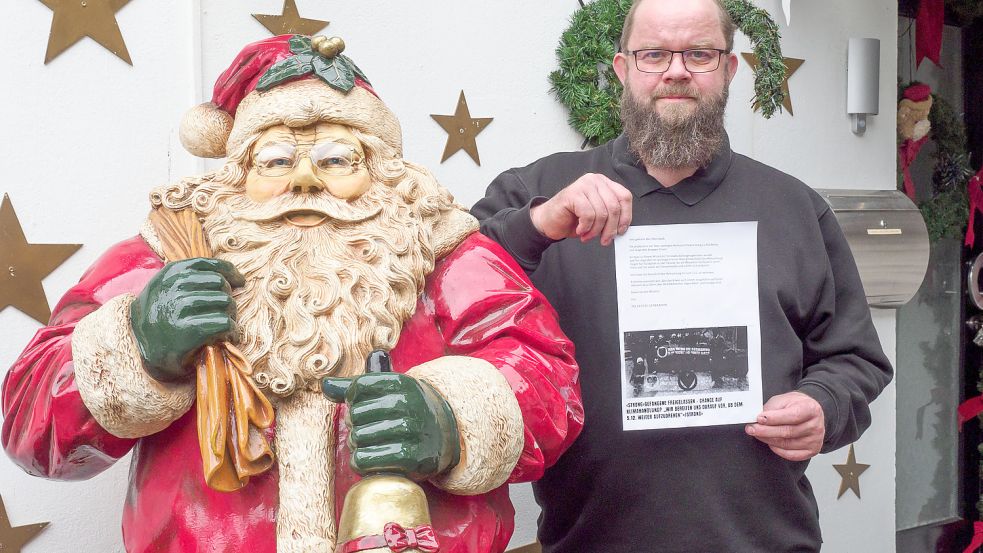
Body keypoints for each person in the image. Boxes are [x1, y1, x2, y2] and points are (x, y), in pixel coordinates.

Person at [2, 35, 582, 553]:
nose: (304, 180)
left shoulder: (444, 254)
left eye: (335, 159)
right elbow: (29, 422)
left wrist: (449, 421)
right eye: (276, 160)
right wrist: (139, 347)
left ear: (380, 171)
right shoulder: (170, 254)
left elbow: (550, 382)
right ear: (237, 175)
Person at [471, 0, 893, 550]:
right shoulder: (541, 190)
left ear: (729, 70)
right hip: (590, 539)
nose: (676, 71)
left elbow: (854, 358)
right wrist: (540, 224)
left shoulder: (794, 207)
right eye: (654, 54)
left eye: (699, 54)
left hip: (763, 539)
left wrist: (824, 406)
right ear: (623, 69)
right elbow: (456, 289)